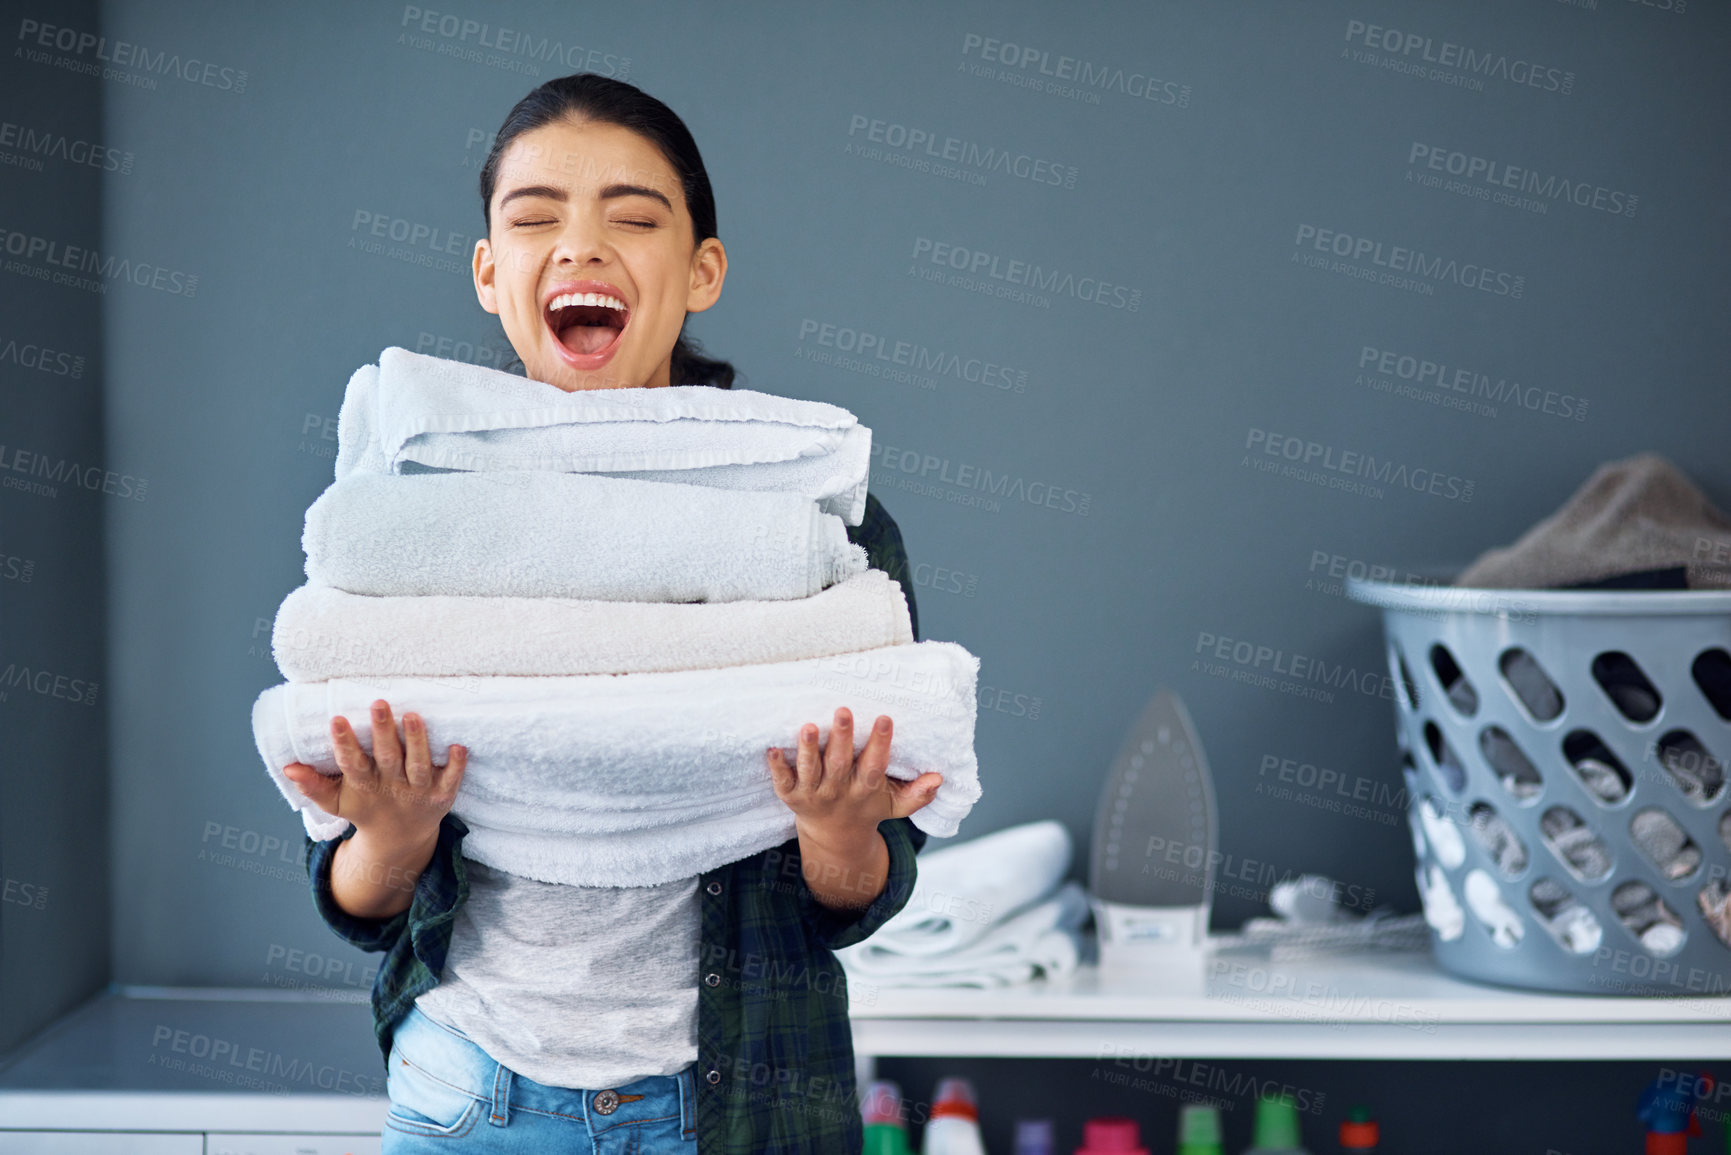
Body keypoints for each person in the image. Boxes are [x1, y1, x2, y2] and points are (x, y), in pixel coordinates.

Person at [278, 73, 940, 1153]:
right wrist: (391, 838)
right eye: (535, 220)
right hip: (470, 1097)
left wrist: (834, 831)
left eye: (633, 218)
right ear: (492, 275)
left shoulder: (803, 528)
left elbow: (865, 889)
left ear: (701, 271)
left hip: (739, 1106)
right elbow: (356, 902)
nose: (580, 247)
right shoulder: (414, 520)